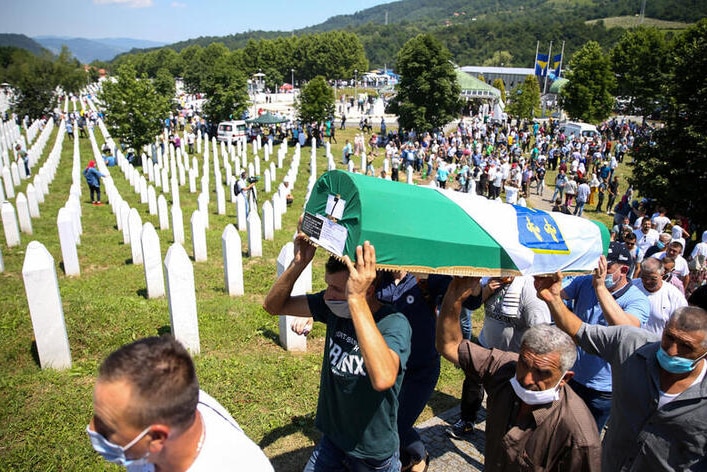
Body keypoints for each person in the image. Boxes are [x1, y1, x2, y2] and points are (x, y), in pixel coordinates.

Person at [262, 237, 411, 472]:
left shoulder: (394, 323)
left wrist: (355, 300)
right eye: (328, 285)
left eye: (337, 289)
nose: (327, 295)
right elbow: (273, 306)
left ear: (367, 290)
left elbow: (383, 378)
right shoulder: (332, 307)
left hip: (372, 455)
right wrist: (299, 262)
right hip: (333, 441)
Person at [535, 274, 707, 472]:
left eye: (686, 346)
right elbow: (578, 331)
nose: (672, 350)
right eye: (669, 338)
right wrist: (554, 298)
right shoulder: (631, 344)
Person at [436, 278, 601, 471]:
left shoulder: (578, 436)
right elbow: (450, 346)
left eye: (542, 373)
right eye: (523, 363)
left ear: (565, 378)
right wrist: (454, 295)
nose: (527, 379)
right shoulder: (505, 369)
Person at [86, 335, 273, 471]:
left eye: (107, 428)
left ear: (157, 438)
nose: (92, 429)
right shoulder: (173, 399)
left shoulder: (242, 465)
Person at [550, 242, 650, 431]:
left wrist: (601, 288)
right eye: (596, 266)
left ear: (624, 270)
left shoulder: (637, 300)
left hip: (603, 388)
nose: (599, 272)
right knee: (559, 429)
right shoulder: (585, 282)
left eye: (607, 267)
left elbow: (626, 331)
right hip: (572, 374)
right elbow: (557, 292)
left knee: (587, 437)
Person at [446, 276, 551, 439]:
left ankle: (506, 431)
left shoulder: (529, 289)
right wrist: (486, 290)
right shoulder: (490, 279)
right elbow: (473, 303)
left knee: (506, 396)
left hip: (509, 357)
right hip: (485, 344)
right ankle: (467, 420)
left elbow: (540, 332)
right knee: (472, 383)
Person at [634, 257, 688, 336]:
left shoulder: (675, 297)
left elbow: (680, 327)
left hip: (655, 344)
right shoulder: (632, 287)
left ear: (662, 274)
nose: (647, 281)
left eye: (653, 278)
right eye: (644, 277)